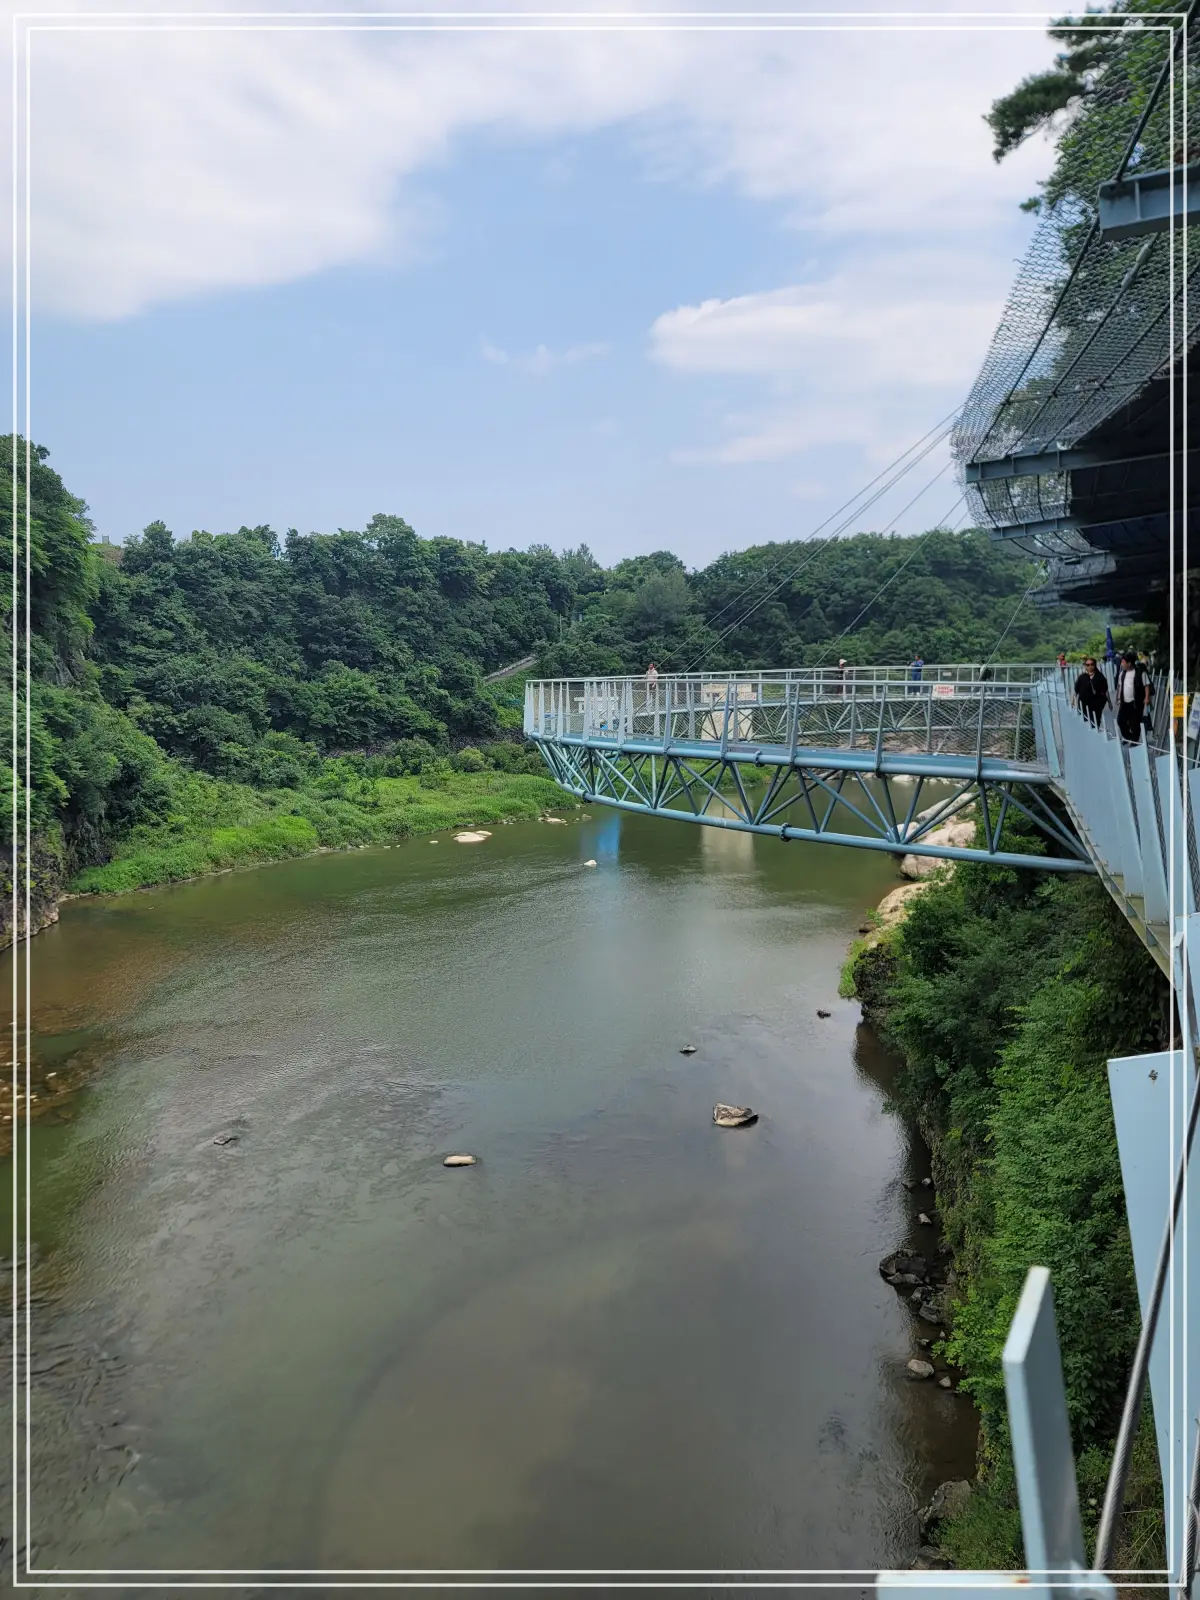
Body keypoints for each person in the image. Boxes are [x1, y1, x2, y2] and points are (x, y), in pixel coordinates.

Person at [1115, 650, 1151, 744]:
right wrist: (1118, 698)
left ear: (1129, 663)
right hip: (1124, 702)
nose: (1121, 664)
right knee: (1120, 720)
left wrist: (1147, 698)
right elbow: (1120, 686)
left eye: (1123, 662)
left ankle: (1135, 741)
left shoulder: (1140, 672)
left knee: (1135, 723)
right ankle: (1128, 737)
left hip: (1136, 702)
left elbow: (1146, 685)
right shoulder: (1122, 673)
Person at [1073, 656, 1110, 728]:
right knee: (1084, 724)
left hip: (1096, 705)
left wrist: (1109, 702)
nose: (1090, 666)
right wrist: (1073, 702)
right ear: (1085, 666)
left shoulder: (1100, 677)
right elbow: (1076, 690)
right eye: (1087, 665)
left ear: (1095, 665)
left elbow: (1105, 690)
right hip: (1083, 705)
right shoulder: (1082, 677)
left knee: (1095, 723)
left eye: (1092, 664)